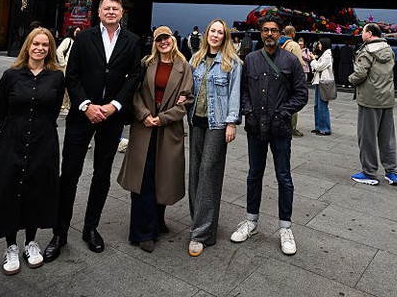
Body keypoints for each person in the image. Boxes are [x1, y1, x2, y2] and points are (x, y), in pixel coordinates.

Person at [46, 0, 142, 261]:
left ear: (122, 13)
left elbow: (134, 76)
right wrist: (86, 105)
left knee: (101, 174)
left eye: (115, 9)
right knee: (70, 174)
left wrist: (115, 105)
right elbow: (72, 75)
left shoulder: (132, 41)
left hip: (111, 117)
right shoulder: (84, 38)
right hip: (82, 115)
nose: (111, 12)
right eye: (106, 8)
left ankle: (91, 228)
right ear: (99, 12)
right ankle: (60, 232)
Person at [0, 27, 65, 275]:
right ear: (28, 47)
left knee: (36, 189)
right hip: (12, 140)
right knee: (9, 189)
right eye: (36, 44)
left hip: (43, 141)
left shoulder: (56, 77)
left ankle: (31, 242)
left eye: (45, 45)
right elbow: (1, 109)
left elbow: (53, 110)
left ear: (50, 49)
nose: (40, 48)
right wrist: (11, 129)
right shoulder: (11, 75)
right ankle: (10, 246)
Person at [231, 15, 307, 256]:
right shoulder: (251, 60)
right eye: (265, 30)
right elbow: (243, 90)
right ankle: (251, 221)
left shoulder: (291, 61)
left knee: (284, 177)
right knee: (254, 174)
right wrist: (248, 111)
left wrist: (284, 113)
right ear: (260, 33)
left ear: (280, 33)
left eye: (274, 30)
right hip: (255, 128)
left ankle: (285, 228)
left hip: (280, 130)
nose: (270, 34)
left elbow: (301, 94)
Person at [117, 26, 194, 253]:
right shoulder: (145, 64)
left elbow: (186, 100)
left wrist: (163, 118)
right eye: (159, 39)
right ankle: (143, 233)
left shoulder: (184, 67)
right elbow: (135, 93)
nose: (163, 43)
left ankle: (158, 221)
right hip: (145, 128)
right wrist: (145, 116)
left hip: (168, 129)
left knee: (163, 176)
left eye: (166, 38)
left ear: (173, 40)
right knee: (143, 178)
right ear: (155, 43)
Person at [186, 19, 241, 257]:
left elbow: (234, 93)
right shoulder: (195, 59)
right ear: (206, 34)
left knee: (209, 172)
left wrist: (232, 122)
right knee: (195, 172)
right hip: (196, 121)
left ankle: (201, 234)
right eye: (213, 31)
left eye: (220, 32)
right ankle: (197, 223)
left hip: (218, 124)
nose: (215, 35)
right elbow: (188, 89)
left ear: (225, 36)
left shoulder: (233, 63)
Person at [348, 23, 397, 186]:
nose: (361, 34)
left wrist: (350, 79)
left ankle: (369, 172)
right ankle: (391, 172)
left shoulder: (367, 50)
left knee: (367, 137)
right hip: (387, 97)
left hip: (370, 99)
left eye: (363, 32)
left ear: (369, 33)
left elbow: (360, 73)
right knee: (387, 137)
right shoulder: (388, 49)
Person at [280, 25, 305, 137]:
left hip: (280, 77)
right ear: (293, 33)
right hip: (291, 78)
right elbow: (299, 63)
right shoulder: (294, 45)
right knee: (293, 103)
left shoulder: (279, 43)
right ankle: (292, 128)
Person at [309, 37, 334, 135]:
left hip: (324, 83)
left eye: (320, 43)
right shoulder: (324, 54)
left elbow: (319, 67)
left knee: (322, 106)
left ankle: (325, 129)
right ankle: (318, 126)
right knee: (317, 105)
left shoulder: (327, 55)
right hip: (319, 82)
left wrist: (313, 60)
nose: (318, 45)